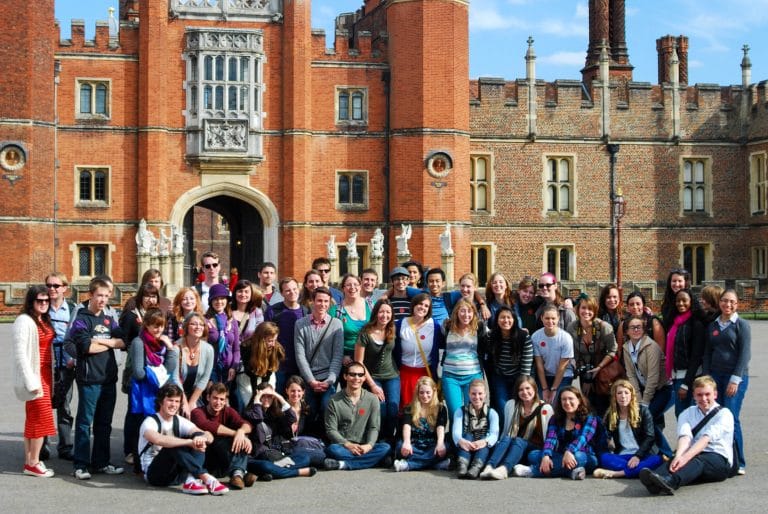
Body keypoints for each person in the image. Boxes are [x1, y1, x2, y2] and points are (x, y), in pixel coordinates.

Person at [67, 278, 126, 480]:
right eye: (99, 295)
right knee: (85, 423)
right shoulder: (82, 319)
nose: (102, 299)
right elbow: (86, 348)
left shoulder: (109, 318)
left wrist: (100, 340)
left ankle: (101, 462)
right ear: (91, 295)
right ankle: (81, 464)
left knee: (104, 424)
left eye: (106, 296)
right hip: (89, 379)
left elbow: (122, 341)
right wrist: (110, 342)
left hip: (108, 379)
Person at [639, 376, 734, 495]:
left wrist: (684, 458)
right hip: (693, 454)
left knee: (696, 461)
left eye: (707, 394)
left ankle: (671, 482)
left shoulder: (725, 414)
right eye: (699, 395)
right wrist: (679, 456)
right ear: (694, 395)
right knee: (675, 460)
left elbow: (705, 439)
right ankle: (656, 479)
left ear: (715, 394)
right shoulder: (687, 413)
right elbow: (685, 437)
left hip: (718, 459)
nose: (703, 398)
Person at [138, 383, 229, 495]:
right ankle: (206, 477)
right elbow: (159, 440)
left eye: (177, 401)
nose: (174, 405)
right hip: (156, 475)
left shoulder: (179, 420)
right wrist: (189, 442)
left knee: (198, 437)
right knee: (172, 444)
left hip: (177, 475)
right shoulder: (149, 422)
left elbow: (207, 435)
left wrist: (201, 438)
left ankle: (191, 480)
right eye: (170, 400)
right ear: (161, 401)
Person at [703, 289, 750, 474]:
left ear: (737, 304)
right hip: (715, 376)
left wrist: (735, 380)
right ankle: (723, 457)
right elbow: (707, 353)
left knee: (731, 418)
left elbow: (745, 354)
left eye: (732, 302)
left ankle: (740, 462)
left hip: (734, 378)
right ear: (720, 302)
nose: (727, 305)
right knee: (715, 417)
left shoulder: (741, 325)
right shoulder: (713, 325)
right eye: (724, 301)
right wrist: (706, 378)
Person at [125, 308, 178, 468]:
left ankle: (154, 455)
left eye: (161, 326)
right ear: (146, 325)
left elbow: (169, 368)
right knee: (140, 423)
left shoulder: (162, 343)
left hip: (158, 389)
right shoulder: (139, 342)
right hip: (142, 391)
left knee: (156, 422)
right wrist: (157, 373)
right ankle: (137, 457)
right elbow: (139, 373)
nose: (158, 329)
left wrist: (170, 348)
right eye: (155, 326)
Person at [13, 285, 57, 477]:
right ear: (31, 301)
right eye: (40, 300)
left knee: (33, 419)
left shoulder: (43, 319)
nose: (44, 304)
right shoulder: (24, 321)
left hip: (46, 375)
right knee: (42, 419)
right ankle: (34, 462)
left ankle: (29, 461)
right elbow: (21, 354)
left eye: (47, 300)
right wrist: (31, 381)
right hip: (35, 375)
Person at [516, 386, 600, 480]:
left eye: (570, 398)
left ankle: (533, 471)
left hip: (585, 456)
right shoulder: (555, 418)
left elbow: (583, 438)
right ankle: (573, 472)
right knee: (533, 455)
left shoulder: (590, 418)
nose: (567, 402)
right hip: (561, 455)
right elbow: (550, 439)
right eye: (563, 399)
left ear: (579, 400)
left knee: (578, 457)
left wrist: (569, 451)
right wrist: (546, 456)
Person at [480, 375, 553, 480]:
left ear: (535, 389)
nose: (525, 392)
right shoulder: (511, 405)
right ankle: (489, 467)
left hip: (535, 449)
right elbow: (506, 431)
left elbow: (550, 436)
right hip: (515, 446)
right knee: (506, 438)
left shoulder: (545, 408)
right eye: (521, 389)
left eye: (528, 388)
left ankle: (504, 469)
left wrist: (548, 455)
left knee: (519, 440)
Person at [294, 286, 344, 435]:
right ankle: (307, 442)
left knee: (326, 408)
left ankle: (325, 441)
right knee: (308, 411)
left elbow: (337, 356)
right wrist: (311, 381)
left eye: (326, 301)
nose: (322, 304)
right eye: (319, 301)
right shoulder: (300, 324)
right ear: (312, 301)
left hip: (328, 378)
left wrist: (329, 380)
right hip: (308, 379)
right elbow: (300, 355)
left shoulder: (336, 324)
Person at [324, 361, 392, 470]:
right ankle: (373, 461)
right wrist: (348, 444)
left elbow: (374, 427)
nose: (356, 378)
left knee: (386, 447)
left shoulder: (372, 399)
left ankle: (343, 464)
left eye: (360, 375)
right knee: (332, 449)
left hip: (364, 446)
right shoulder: (333, 400)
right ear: (345, 376)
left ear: (364, 378)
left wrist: (369, 445)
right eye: (352, 374)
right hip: (343, 446)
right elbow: (331, 430)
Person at [242, 382, 318, 479]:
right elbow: (258, 418)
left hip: (275, 456)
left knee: (304, 458)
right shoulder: (249, 412)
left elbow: (292, 418)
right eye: (263, 396)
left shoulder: (274, 414)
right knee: (266, 466)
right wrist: (257, 399)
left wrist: (278, 396)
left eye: (269, 396)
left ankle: (271, 473)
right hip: (257, 458)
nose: (266, 399)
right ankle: (297, 472)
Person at [623, 315, 673, 458]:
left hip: (663, 389)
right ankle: (655, 452)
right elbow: (631, 375)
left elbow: (653, 377)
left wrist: (644, 403)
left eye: (639, 327)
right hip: (645, 389)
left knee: (647, 416)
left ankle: (666, 453)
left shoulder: (651, 346)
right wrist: (638, 400)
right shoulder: (626, 348)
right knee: (646, 418)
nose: (636, 330)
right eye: (632, 327)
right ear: (627, 331)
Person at [593, 380, 663, 479]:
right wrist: (607, 442)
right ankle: (636, 471)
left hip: (643, 455)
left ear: (632, 395)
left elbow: (650, 437)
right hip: (623, 456)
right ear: (614, 396)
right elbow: (605, 436)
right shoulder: (611, 415)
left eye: (626, 392)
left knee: (657, 459)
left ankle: (616, 474)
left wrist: (637, 456)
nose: (623, 396)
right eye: (619, 393)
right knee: (604, 458)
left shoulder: (643, 411)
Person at [190, 383, 255, 489]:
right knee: (223, 439)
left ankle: (238, 475)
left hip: (223, 460)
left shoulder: (228, 411)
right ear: (208, 397)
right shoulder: (197, 412)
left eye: (221, 399)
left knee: (240, 440)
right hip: (207, 459)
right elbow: (208, 425)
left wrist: (242, 433)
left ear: (225, 401)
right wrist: (236, 433)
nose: (218, 402)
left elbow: (247, 424)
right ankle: (241, 474)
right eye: (215, 398)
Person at [354, 299, 400, 443]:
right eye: (381, 311)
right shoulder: (365, 332)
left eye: (388, 312)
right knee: (381, 410)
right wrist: (372, 385)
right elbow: (359, 362)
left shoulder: (392, 329)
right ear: (376, 313)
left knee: (393, 410)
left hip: (392, 376)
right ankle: (377, 440)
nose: (384, 315)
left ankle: (389, 440)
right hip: (373, 377)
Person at [566, 296, 618, 416]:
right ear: (578, 309)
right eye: (583, 308)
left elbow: (613, 350)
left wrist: (599, 367)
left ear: (595, 311)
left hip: (604, 372)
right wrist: (587, 376)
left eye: (590, 309)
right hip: (585, 372)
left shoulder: (604, 327)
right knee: (587, 405)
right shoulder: (572, 328)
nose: (586, 312)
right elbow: (574, 353)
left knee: (604, 407)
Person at [45, 272, 77, 461]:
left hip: (67, 364)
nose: (52, 289)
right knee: (45, 404)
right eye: (49, 285)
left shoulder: (72, 309)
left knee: (64, 404)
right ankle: (42, 446)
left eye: (56, 286)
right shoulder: (41, 306)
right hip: (46, 363)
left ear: (65, 288)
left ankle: (65, 447)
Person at [484, 305, 533, 424]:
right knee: (502, 406)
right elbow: (488, 356)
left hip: (518, 376)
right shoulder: (491, 335)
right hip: (499, 376)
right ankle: (504, 432)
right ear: (497, 320)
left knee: (518, 404)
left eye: (508, 317)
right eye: (502, 317)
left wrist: (522, 382)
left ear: (514, 319)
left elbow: (527, 362)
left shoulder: (523, 336)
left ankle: (517, 431)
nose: (506, 320)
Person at [394, 293, 444, 408]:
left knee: (425, 412)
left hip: (426, 376)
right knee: (405, 412)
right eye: (420, 304)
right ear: (414, 305)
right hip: (405, 375)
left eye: (426, 306)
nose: (423, 307)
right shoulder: (400, 324)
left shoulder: (435, 326)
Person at [442, 298, 486, 420]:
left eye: (469, 311)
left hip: (473, 375)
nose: (466, 315)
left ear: (473, 313)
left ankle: (470, 437)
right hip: (451, 376)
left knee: (472, 412)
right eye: (462, 311)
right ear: (456, 312)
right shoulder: (447, 326)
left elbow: (494, 337)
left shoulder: (479, 327)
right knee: (455, 412)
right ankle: (455, 438)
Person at [393, 376, 449, 472]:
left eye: (428, 392)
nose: (424, 396)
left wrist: (440, 444)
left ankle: (408, 465)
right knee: (400, 446)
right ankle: (434, 464)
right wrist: (406, 442)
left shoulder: (440, 408)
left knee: (446, 446)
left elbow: (440, 427)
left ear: (434, 392)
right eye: (421, 392)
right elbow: (406, 427)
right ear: (417, 393)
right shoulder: (409, 408)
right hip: (413, 445)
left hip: (431, 445)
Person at [666, 289, 705, 416]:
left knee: (692, 416)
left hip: (691, 377)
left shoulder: (696, 324)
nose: (681, 303)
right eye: (678, 301)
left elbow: (696, 356)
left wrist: (686, 384)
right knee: (681, 415)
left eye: (684, 300)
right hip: (677, 375)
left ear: (691, 302)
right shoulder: (674, 322)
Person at [268, 277, 310, 392]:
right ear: (281, 293)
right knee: (279, 398)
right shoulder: (274, 311)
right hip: (280, 365)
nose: (292, 292)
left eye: (294, 289)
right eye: (287, 290)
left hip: (300, 364)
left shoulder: (306, 311)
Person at [452, 378, 499, 479]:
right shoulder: (460, 411)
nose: (477, 397)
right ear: (468, 394)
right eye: (473, 394)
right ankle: (462, 465)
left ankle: (476, 467)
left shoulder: (492, 413)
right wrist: (461, 441)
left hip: (482, 449)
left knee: (485, 440)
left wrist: (485, 441)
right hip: (465, 447)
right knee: (468, 435)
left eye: (480, 394)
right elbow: (456, 433)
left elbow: (494, 434)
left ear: (485, 394)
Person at [282, 375, 330, 467]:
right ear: (286, 391)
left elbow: (312, 433)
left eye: (299, 391)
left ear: (303, 392)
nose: (296, 394)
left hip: (303, 446)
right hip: (287, 447)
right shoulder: (280, 410)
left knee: (321, 455)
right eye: (292, 391)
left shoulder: (307, 410)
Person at [205, 283, 240, 407]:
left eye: (222, 298)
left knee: (227, 402)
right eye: (215, 299)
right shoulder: (205, 321)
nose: (219, 302)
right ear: (210, 301)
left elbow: (236, 349)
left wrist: (234, 367)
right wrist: (207, 378)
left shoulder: (232, 321)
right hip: (212, 369)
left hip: (228, 370)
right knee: (213, 401)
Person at [532, 305, 574, 405]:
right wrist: (545, 388)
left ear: (558, 318)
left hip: (563, 375)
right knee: (542, 402)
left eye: (553, 318)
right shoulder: (536, 336)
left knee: (556, 401)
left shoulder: (566, 338)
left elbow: (562, 367)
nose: (550, 321)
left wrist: (554, 389)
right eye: (547, 318)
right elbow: (539, 365)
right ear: (542, 318)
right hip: (545, 375)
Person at [239, 321, 285, 409]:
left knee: (267, 398)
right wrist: (256, 394)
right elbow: (249, 372)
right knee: (250, 401)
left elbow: (270, 372)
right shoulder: (246, 347)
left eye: (275, 340)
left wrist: (265, 389)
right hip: (248, 377)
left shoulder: (276, 348)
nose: (273, 344)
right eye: (270, 341)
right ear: (261, 339)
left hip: (267, 375)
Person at [177, 312, 215, 417]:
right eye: (194, 324)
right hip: (176, 394)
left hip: (195, 395)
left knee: (199, 419)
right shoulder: (176, 347)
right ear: (186, 327)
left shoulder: (208, 349)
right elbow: (174, 378)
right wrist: (184, 403)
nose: (198, 327)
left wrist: (191, 403)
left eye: (201, 324)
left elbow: (205, 378)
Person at [330, 273, 372, 361]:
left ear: (360, 287)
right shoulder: (335, 311)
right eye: (348, 285)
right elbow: (330, 339)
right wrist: (341, 357)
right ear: (343, 288)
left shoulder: (371, 306)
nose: (352, 287)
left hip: (371, 355)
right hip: (347, 359)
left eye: (356, 284)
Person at [231, 279, 265, 346]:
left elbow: (260, 334)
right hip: (230, 352)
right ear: (235, 293)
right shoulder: (227, 310)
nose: (243, 294)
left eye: (246, 292)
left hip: (250, 352)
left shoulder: (257, 312)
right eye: (240, 291)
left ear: (251, 294)